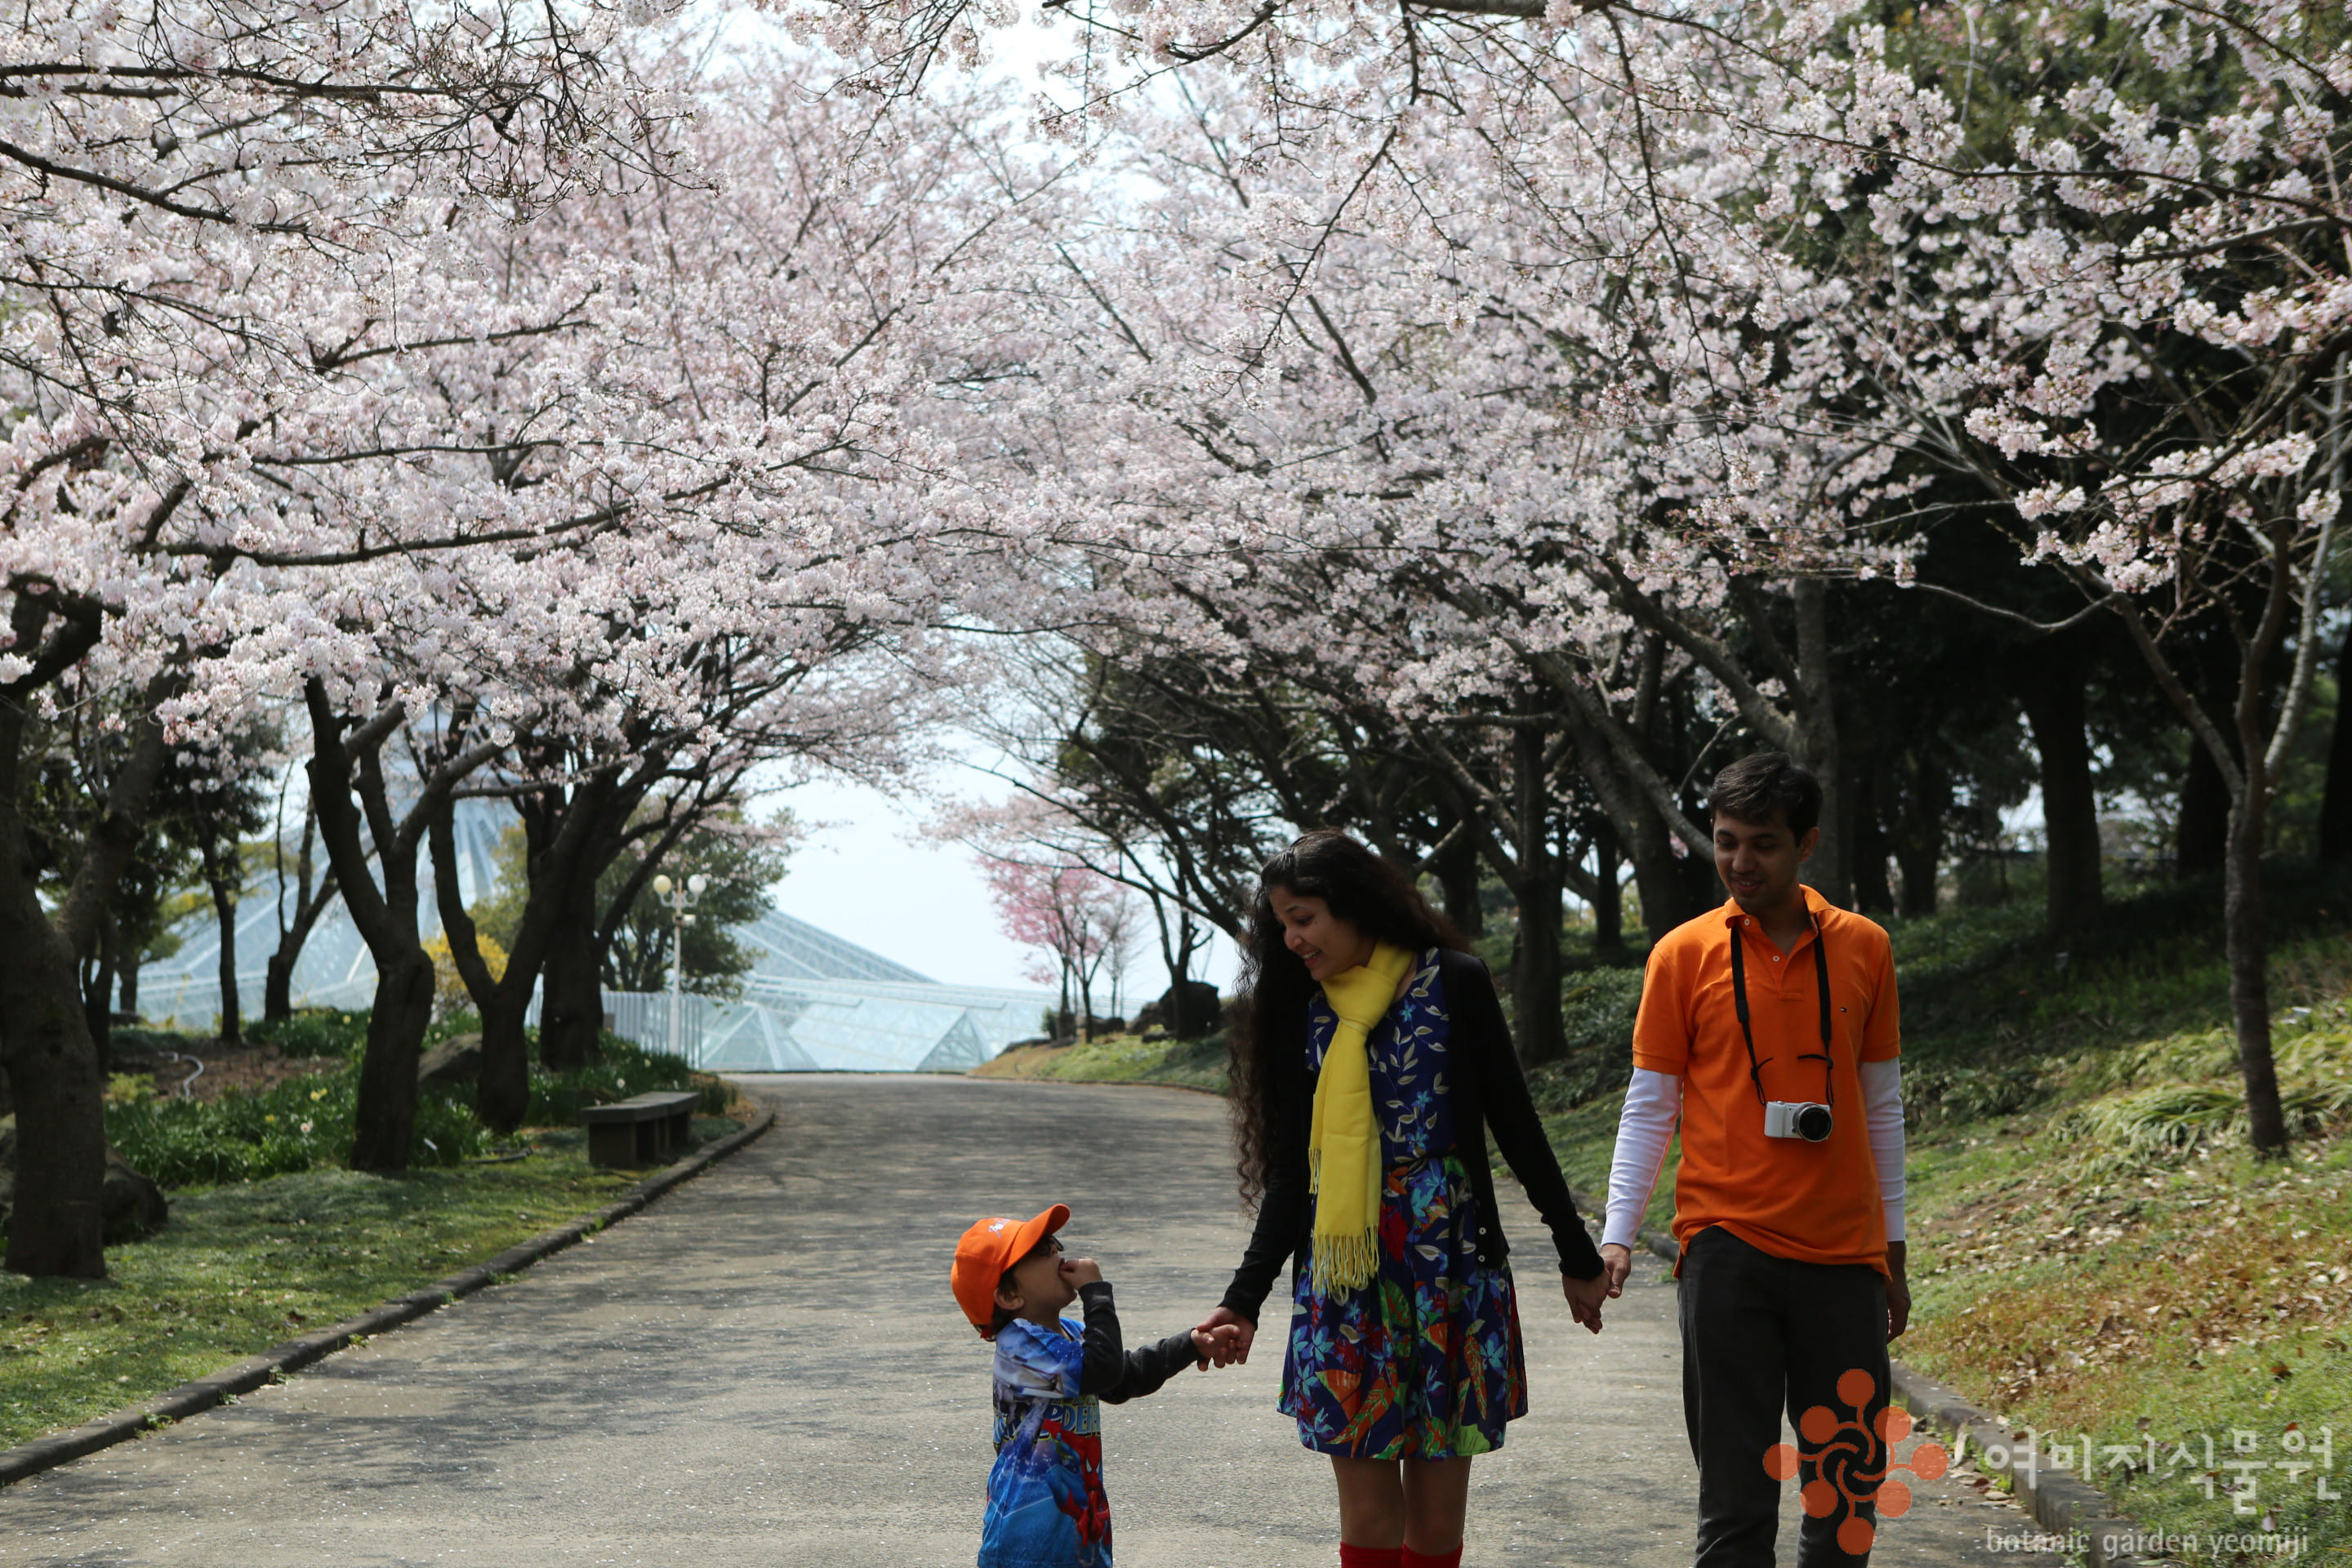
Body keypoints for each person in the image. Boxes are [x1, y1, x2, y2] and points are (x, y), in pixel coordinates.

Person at [1194, 830, 1611, 1568]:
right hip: (1346, 1272)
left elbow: (1514, 1123)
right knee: (1369, 1514)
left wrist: (1574, 1250)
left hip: (1448, 1264)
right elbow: (1294, 1175)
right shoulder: (1299, 1009)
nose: (1291, 939)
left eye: (1305, 917)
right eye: (1282, 923)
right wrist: (1244, 1298)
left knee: (1438, 1522)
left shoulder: (1454, 981)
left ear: (1355, 907)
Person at [1597, 752, 1909, 1568]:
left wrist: (1894, 1250)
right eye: (1726, 841)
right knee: (1733, 1506)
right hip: (1726, 1250)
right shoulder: (1683, 954)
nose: (1741, 861)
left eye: (1763, 844)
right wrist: (1618, 1232)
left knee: (1844, 1501)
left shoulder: (1865, 949)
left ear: (1806, 845)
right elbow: (1650, 1105)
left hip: (1845, 1256)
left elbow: (1880, 1108)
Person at [951, 1203, 1237, 1568]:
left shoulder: (1066, 1332)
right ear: (1009, 1297)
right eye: (1041, 1250)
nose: (1056, 1252)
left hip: (1077, 1532)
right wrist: (1097, 1293)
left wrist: (1191, 1344)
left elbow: (1120, 1378)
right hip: (1025, 1538)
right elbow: (1103, 1369)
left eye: (1055, 1243)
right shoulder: (1020, 1346)